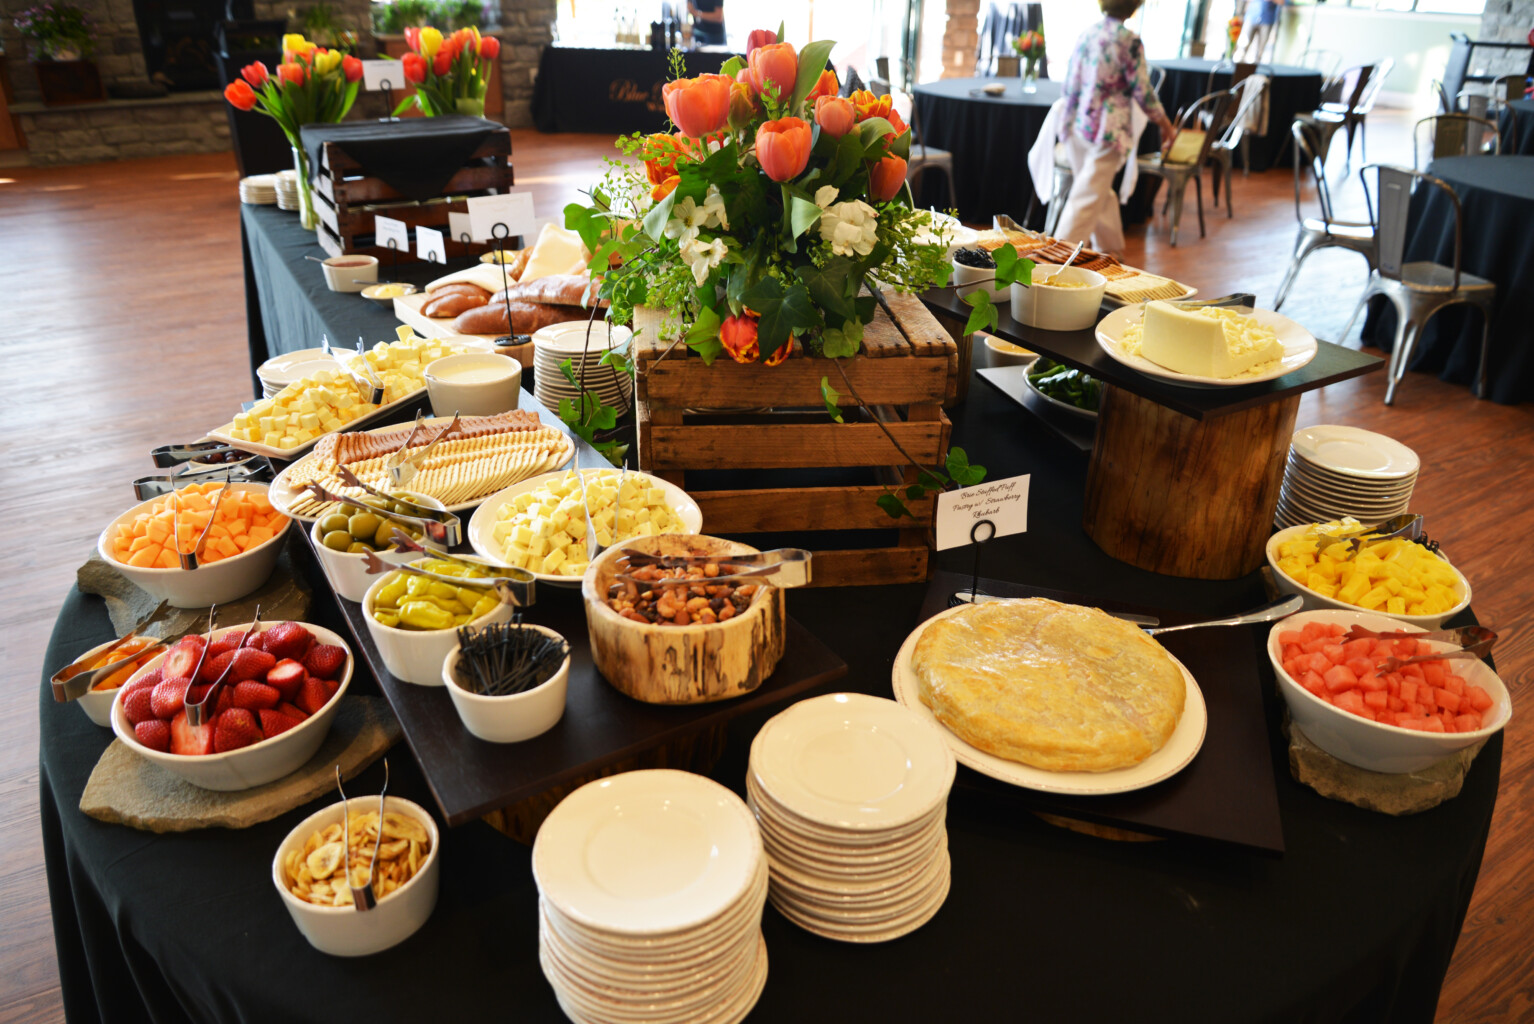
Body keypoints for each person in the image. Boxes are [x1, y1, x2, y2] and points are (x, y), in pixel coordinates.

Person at [1054, 0, 1174, 256]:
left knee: (1097, 191)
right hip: (1108, 131)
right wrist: (1165, 123)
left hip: (1078, 126)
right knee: (1086, 199)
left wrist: (1064, 125)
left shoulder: (1088, 33)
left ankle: (1112, 252)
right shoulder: (1128, 40)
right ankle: (1053, 262)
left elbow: (1070, 85)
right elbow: (1143, 91)